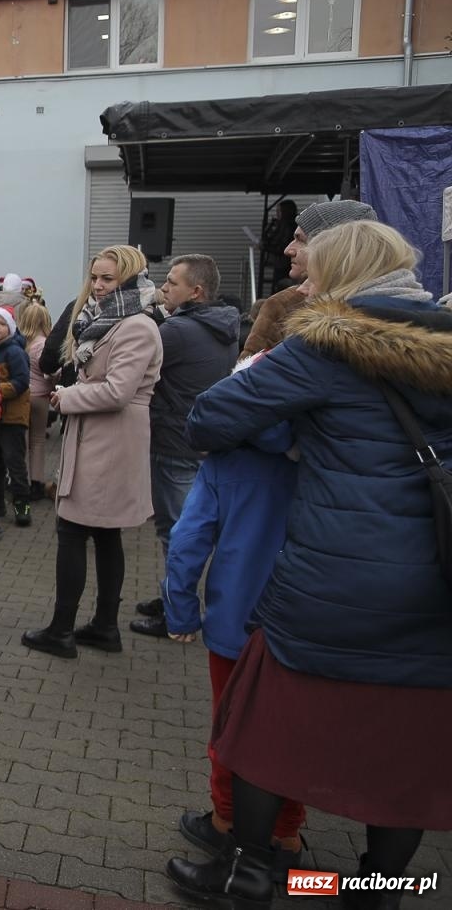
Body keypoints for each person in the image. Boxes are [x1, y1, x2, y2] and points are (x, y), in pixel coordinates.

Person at [166, 220, 452, 910]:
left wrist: (294, 428)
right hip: (435, 583)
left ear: (341, 276)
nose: (305, 282)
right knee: (406, 757)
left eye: (314, 272)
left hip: (331, 578)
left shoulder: (321, 347)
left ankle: (252, 878)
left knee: (269, 732)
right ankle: (372, 892)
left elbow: (208, 419)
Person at [163, 350, 307, 876]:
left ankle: (228, 827)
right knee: (293, 729)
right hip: (306, 619)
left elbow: (187, 540)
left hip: (235, 622)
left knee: (231, 728)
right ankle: (288, 836)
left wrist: (180, 610)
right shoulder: (326, 454)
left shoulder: (226, 460)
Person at [23, 245, 162, 659]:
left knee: (75, 532)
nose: (98, 287)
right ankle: (102, 627)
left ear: (130, 280)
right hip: (101, 436)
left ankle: (63, 631)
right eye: (95, 277)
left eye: (108, 279)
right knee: (103, 535)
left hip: (110, 439)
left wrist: (68, 396)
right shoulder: (108, 320)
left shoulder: (135, 325)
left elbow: (119, 391)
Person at [132, 255, 240, 638]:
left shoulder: (176, 332)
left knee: (177, 535)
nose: (163, 287)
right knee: (183, 531)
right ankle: (171, 599)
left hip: (174, 443)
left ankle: (177, 614)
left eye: (172, 282)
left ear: (196, 291)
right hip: (197, 441)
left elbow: (131, 367)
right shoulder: (224, 325)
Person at [243, 200, 376, 358]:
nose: (288, 250)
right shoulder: (282, 306)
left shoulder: (390, 311)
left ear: (333, 248)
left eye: (301, 240)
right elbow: (246, 375)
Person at [0, 306, 33, 527]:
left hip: (12, 418)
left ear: (11, 327)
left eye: (2, 323)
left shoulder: (14, 352)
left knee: (14, 463)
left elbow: (22, 382)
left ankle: (22, 507)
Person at [18, 300, 54, 501]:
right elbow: (49, 372)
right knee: (38, 441)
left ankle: (19, 480)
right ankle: (37, 483)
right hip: (40, 397)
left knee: (22, 440)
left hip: (23, 396)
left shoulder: (22, 343)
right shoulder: (43, 344)